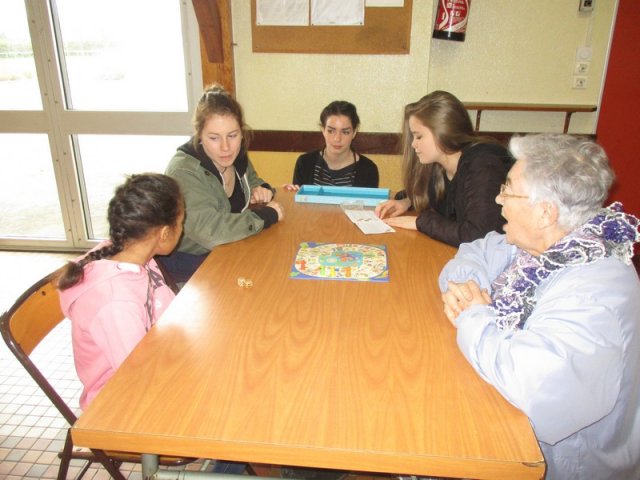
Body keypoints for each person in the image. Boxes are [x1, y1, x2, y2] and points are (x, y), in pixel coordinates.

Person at [438, 134, 640, 480]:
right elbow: (477, 250)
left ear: (546, 212)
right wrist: (470, 288)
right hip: (515, 420)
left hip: (561, 463)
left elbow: (534, 385)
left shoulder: (595, 293)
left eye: (508, 190)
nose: (498, 199)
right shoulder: (547, 242)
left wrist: (474, 314)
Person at [57, 173, 184, 410]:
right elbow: (140, 376)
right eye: (181, 222)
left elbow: (167, 310)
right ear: (165, 233)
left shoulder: (134, 253)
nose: (183, 228)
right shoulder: (116, 303)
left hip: (158, 362)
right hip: (122, 403)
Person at [160, 84, 284, 283]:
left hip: (230, 251)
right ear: (199, 135)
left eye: (232, 135)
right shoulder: (184, 172)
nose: (226, 147)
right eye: (214, 138)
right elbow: (211, 232)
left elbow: (252, 180)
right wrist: (264, 216)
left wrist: (262, 189)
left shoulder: (238, 153)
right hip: (189, 268)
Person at [374, 91, 513, 246]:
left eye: (419, 136)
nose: (413, 144)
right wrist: (407, 201)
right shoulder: (439, 165)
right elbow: (440, 200)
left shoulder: (483, 165)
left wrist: (421, 222)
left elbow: (478, 236)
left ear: (443, 131)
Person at [285, 100, 379, 190]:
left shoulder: (368, 169)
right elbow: (297, 204)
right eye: (331, 131)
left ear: (354, 132)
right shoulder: (304, 163)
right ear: (323, 130)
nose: (337, 138)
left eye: (345, 132)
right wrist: (290, 195)